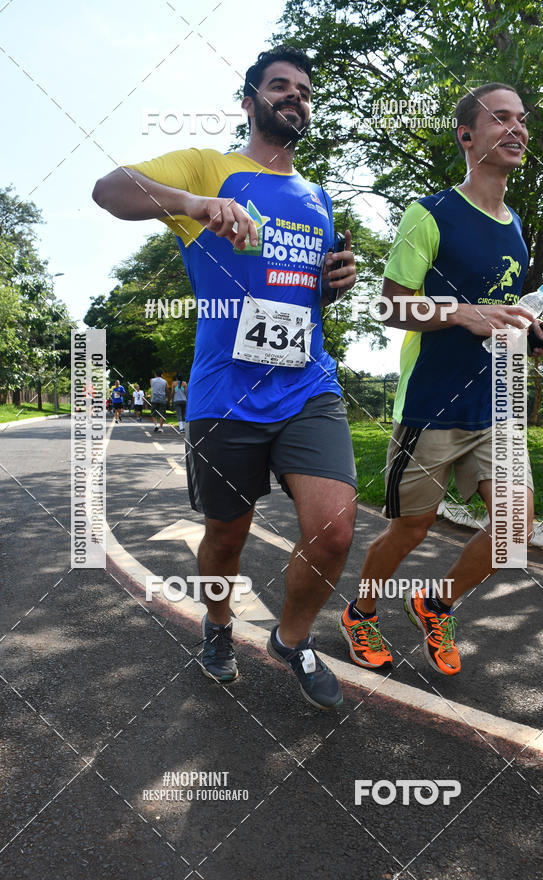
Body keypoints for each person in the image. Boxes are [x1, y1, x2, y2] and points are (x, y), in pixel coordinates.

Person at [92, 46, 357, 709]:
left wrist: (333, 285)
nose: (294, 96)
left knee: (334, 530)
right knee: (227, 536)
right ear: (249, 101)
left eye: (304, 90)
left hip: (307, 383)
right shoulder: (209, 167)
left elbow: (301, 297)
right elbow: (109, 189)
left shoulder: (319, 198)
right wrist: (195, 203)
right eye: (279, 85)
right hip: (225, 393)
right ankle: (218, 624)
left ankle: (291, 640)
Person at [340, 83, 543, 675]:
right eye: (501, 118)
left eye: (522, 119)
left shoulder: (515, 225)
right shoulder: (430, 213)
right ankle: (361, 612)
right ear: (467, 135)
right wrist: (461, 313)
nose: (517, 129)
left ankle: (434, 603)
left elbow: (498, 315)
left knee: (513, 529)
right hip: (433, 404)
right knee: (410, 528)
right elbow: (388, 307)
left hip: (496, 404)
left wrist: (528, 333)